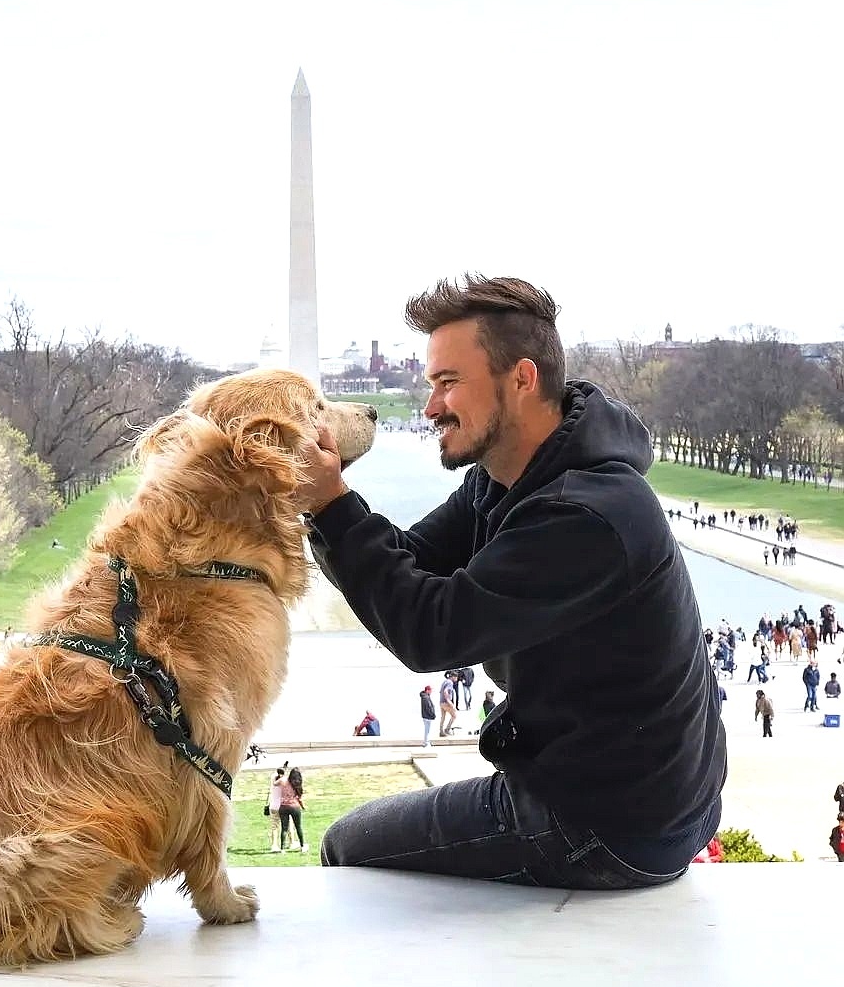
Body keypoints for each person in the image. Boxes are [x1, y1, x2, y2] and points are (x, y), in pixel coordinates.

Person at [300, 274, 726, 888]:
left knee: (345, 844)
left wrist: (334, 506)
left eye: (449, 384)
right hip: (627, 791)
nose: (430, 407)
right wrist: (322, 508)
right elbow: (412, 560)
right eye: (431, 385)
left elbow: (431, 631)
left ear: (522, 379)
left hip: (609, 823)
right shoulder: (508, 478)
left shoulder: (586, 514)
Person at [276, 767, 308, 853]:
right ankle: (302, 846)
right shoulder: (297, 784)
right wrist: (303, 806)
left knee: (284, 828)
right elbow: (299, 798)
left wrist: (278, 776)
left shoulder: (283, 780)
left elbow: (275, 784)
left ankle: (282, 848)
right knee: (298, 827)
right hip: (294, 806)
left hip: (283, 806)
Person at [266, 765, 286, 851]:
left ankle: (274, 845)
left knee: (274, 826)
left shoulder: (273, 778)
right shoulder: (284, 781)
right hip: (282, 806)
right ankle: (291, 842)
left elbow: (276, 775)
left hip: (273, 805)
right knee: (287, 826)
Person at [438, 670, 458, 737]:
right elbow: (445, 691)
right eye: (456, 677)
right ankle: (447, 729)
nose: (456, 679)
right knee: (454, 715)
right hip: (446, 702)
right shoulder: (450, 683)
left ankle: (441, 732)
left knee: (443, 717)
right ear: (453, 677)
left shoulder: (445, 681)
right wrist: (449, 702)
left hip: (441, 702)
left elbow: (441, 691)